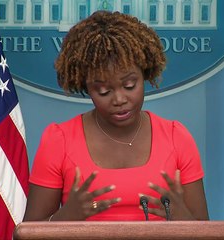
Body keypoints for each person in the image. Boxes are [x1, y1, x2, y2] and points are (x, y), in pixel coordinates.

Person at [23, 10, 209, 221]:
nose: (119, 99)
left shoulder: (177, 137)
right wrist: (64, 218)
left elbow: (204, 230)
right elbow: (30, 232)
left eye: (129, 85)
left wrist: (182, 217)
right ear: (85, 86)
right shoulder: (59, 140)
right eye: (103, 91)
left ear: (145, 73)